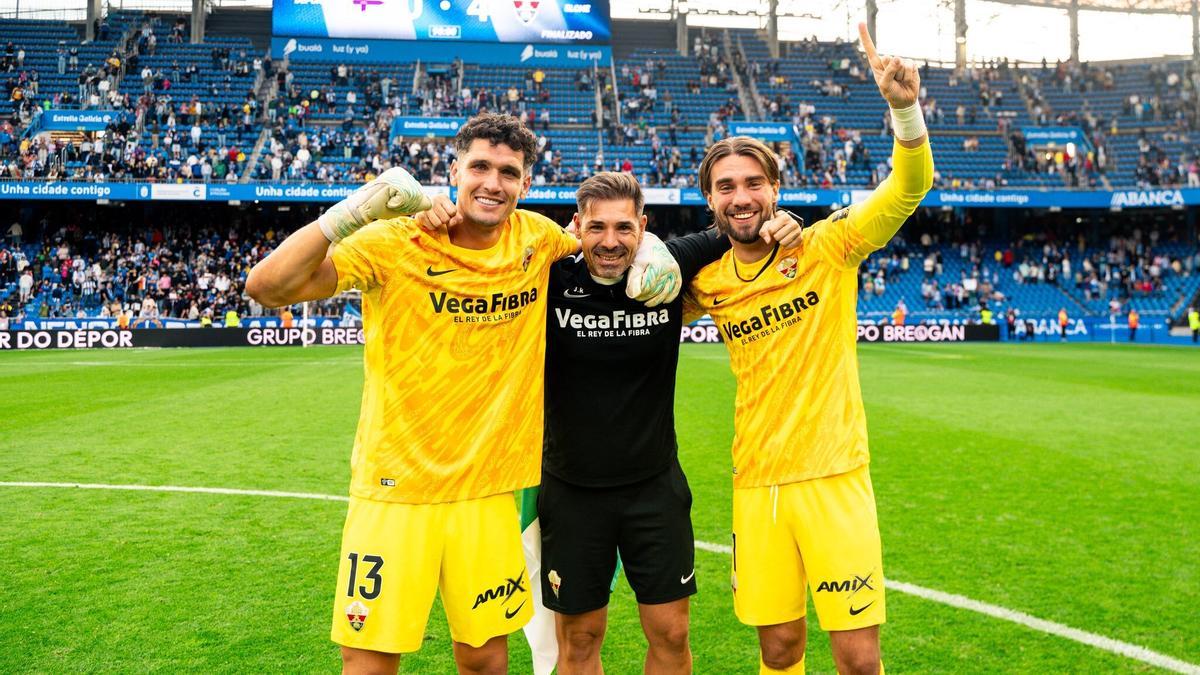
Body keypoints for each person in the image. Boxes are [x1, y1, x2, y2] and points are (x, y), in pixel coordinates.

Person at [245, 113, 680, 675]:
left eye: (508, 172)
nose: (492, 183)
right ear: (454, 171)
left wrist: (656, 249)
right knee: (370, 658)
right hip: (396, 489)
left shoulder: (538, 239)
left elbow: (607, 236)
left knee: (484, 658)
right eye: (479, 166)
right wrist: (351, 213)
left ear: (525, 185)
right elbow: (266, 286)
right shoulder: (396, 241)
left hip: (487, 494)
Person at [683, 22, 932, 674]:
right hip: (756, 483)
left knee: (856, 656)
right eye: (726, 186)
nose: (741, 196)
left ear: (775, 187)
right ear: (710, 199)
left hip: (835, 478)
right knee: (780, 648)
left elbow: (907, 190)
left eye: (753, 182)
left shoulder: (828, 246)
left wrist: (903, 108)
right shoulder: (705, 283)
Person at [539, 172, 801, 675]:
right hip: (572, 490)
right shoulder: (551, 276)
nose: (610, 241)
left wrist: (792, 219)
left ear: (643, 225)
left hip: (654, 488)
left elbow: (742, 221)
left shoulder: (671, 263)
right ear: (576, 226)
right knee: (579, 640)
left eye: (623, 227)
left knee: (672, 633)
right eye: (596, 228)